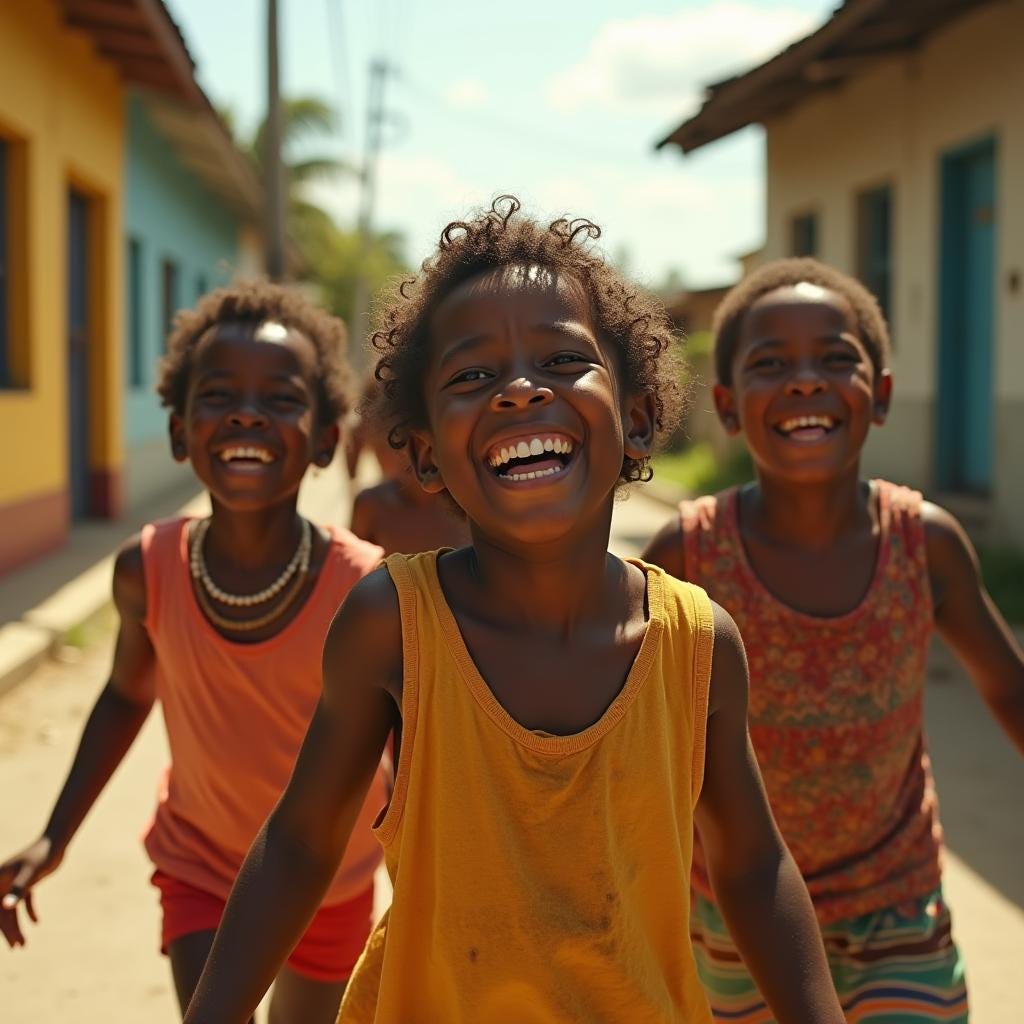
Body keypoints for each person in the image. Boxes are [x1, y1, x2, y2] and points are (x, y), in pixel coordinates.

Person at [180, 198, 844, 1024]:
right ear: (423, 452)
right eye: (472, 376)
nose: (520, 391)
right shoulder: (393, 623)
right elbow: (300, 844)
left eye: (564, 362)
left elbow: (750, 865)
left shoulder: (698, 643)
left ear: (637, 420)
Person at [642, 257, 1024, 1023]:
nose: (806, 380)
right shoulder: (690, 555)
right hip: (732, 912)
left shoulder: (925, 544)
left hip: (896, 905)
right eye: (771, 364)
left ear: (880, 396)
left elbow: (1010, 689)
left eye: (836, 359)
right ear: (726, 404)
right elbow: (623, 725)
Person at [0, 282, 390, 1024]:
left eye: (280, 398)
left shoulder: (364, 588)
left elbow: (401, 735)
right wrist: (55, 835)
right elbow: (125, 694)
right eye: (218, 396)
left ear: (325, 440)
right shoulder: (146, 570)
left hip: (328, 877)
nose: (246, 413)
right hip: (203, 863)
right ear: (181, 433)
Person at [348, 377, 469, 555]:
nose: (407, 455)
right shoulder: (372, 507)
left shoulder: (468, 504)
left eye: (417, 442)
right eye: (395, 444)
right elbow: (353, 570)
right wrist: (351, 476)